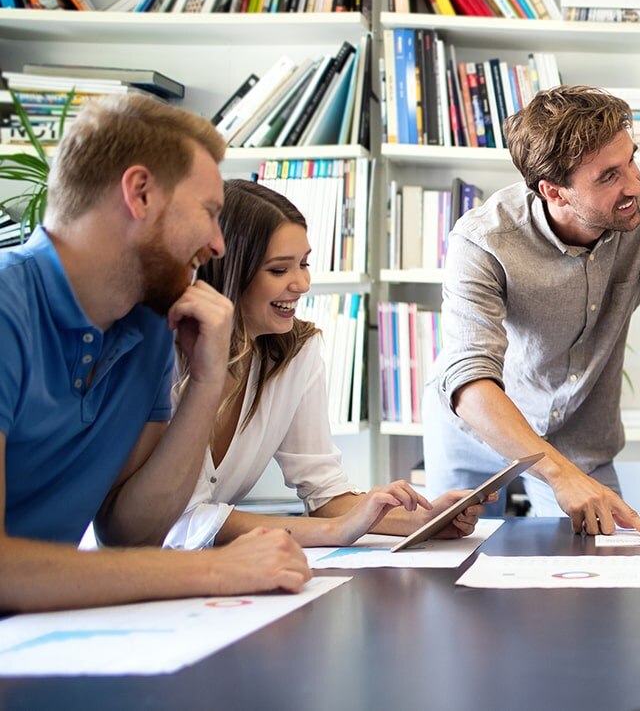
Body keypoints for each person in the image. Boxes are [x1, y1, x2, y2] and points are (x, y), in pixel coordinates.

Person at [0, 94, 310, 613]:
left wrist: (207, 382)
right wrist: (215, 568)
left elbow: (130, 533)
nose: (218, 244)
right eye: (210, 213)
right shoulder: (9, 309)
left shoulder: (147, 322)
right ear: (139, 193)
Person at [424, 85, 640, 535]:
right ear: (554, 191)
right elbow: (469, 376)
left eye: (632, 161)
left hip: (581, 435)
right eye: (609, 176)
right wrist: (560, 475)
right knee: (457, 566)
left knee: (606, 562)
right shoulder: (483, 239)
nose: (635, 185)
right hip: (478, 430)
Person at [162, 180, 490, 549]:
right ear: (230, 271)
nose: (302, 283)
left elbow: (326, 495)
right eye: (278, 270)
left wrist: (422, 520)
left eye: (304, 264)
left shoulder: (296, 353)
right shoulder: (167, 356)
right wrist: (335, 532)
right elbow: (181, 521)